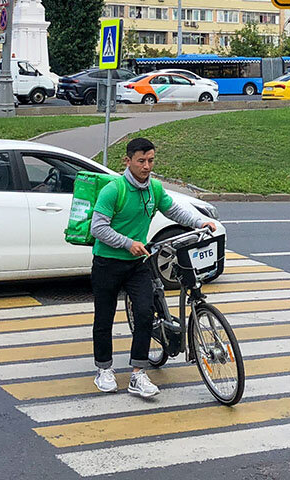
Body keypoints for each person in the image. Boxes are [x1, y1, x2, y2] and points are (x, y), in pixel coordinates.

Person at [90, 137, 217, 398]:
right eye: (141, 161)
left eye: (150, 160)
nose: (147, 166)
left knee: (146, 314)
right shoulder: (114, 190)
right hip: (107, 263)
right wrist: (127, 243)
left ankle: (138, 373)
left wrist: (199, 222)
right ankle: (104, 369)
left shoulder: (154, 189)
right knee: (104, 318)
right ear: (127, 161)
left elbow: (174, 211)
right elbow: (98, 228)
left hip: (138, 264)